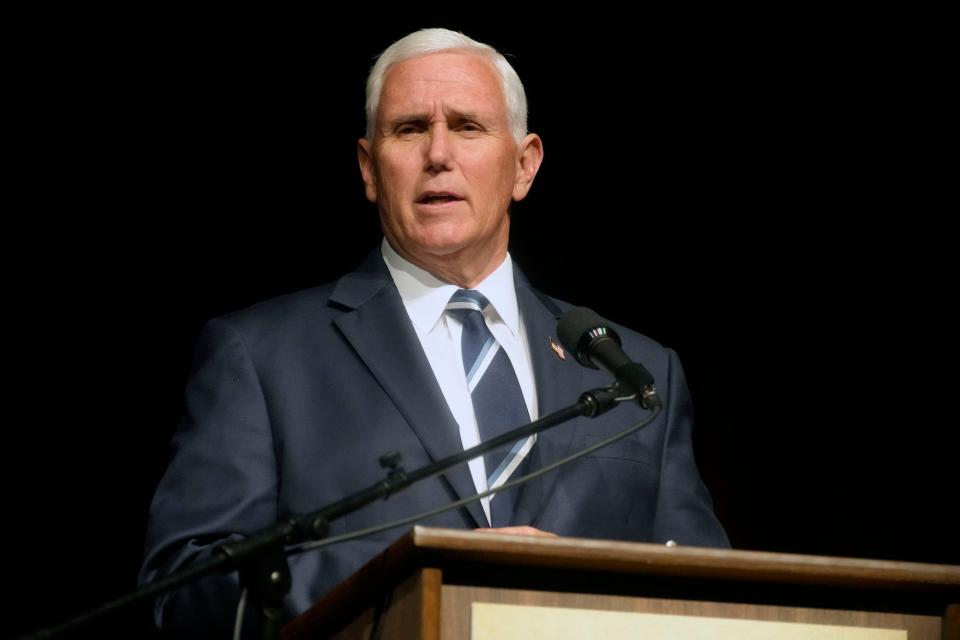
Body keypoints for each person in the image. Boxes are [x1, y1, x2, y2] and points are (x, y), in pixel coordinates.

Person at [139, 27, 728, 636]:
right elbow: (184, 592)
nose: (438, 153)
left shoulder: (636, 371)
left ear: (524, 166)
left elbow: (715, 602)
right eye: (410, 128)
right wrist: (413, 574)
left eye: (469, 127)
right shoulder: (262, 358)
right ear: (369, 168)